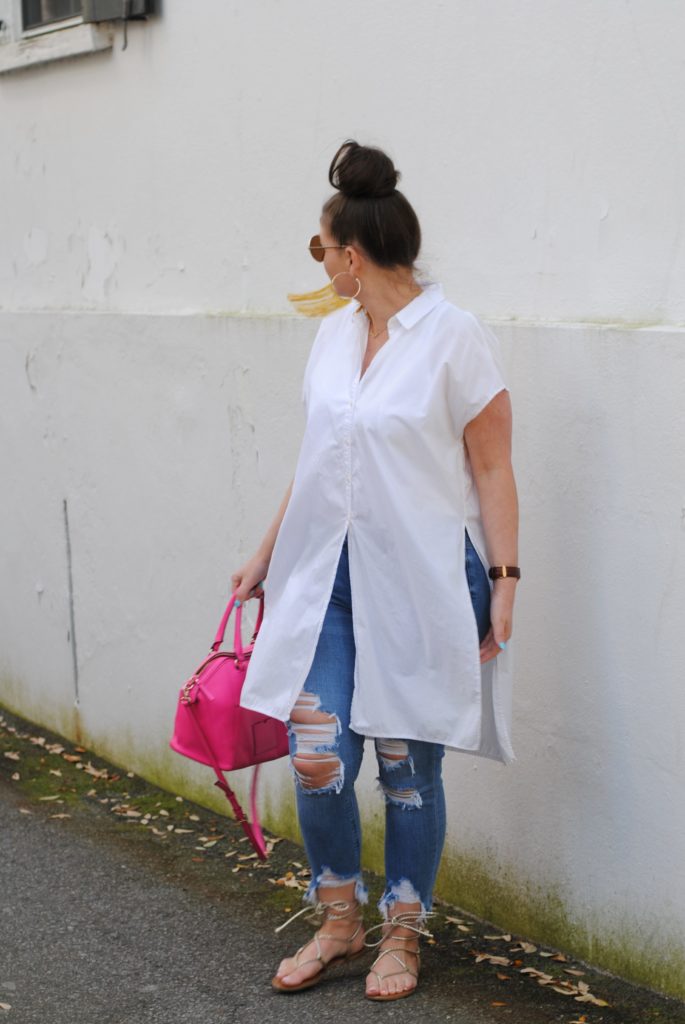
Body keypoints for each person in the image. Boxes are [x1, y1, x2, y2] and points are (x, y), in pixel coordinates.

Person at [231, 140, 520, 1002]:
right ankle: (338, 918)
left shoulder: (453, 337)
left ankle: (403, 928)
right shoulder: (330, 336)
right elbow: (322, 458)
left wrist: (504, 579)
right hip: (325, 584)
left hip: (421, 584)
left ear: (350, 256)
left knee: (404, 768)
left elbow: (493, 467)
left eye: (319, 249)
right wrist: (263, 552)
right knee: (315, 755)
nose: (317, 263)